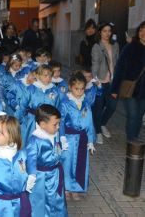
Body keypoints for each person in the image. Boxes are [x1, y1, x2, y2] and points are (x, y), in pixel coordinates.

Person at [59, 72, 96, 200]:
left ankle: (75, 188)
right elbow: (61, 121)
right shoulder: (65, 103)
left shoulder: (86, 103)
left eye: (82, 89)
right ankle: (66, 188)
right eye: (76, 89)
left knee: (79, 164)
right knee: (67, 164)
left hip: (82, 139)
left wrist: (91, 140)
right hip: (69, 138)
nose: (79, 92)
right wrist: (62, 137)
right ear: (70, 87)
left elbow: (90, 122)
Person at [26, 104, 68, 217]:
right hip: (41, 177)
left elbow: (57, 149)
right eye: (55, 124)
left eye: (59, 123)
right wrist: (32, 175)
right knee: (41, 201)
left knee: (57, 199)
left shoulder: (53, 133)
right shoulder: (35, 140)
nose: (58, 127)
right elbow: (30, 158)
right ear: (43, 125)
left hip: (55, 174)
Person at [111, 21, 145, 141]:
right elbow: (119, 68)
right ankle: (131, 140)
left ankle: (135, 137)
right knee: (133, 115)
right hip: (130, 88)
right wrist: (114, 89)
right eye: (141, 30)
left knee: (140, 116)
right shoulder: (130, 47)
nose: (143, 33)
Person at [15, 65, 60, 146]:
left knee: (46, 143)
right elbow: (23, 106)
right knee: (31, 143)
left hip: (48, 121)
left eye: (50, 76)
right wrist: (17, 120)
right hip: (32, 120)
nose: (48, 78)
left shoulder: (55, 90)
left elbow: (57, 107)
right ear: (38, 76)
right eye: (45, 75)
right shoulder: (31, 89)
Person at [91, 22, 119, 144]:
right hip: (100, 82)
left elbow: (118, 61)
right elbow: (95, 63)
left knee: (112, 106)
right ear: (100, 32)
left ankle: (102, 124)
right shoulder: (97, 46)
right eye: (104, 31)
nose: (107, 33)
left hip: (112, 81)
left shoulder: (115, 45)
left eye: (109, 31)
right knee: (98, 108)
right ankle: (97, 132)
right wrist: (95, 79)